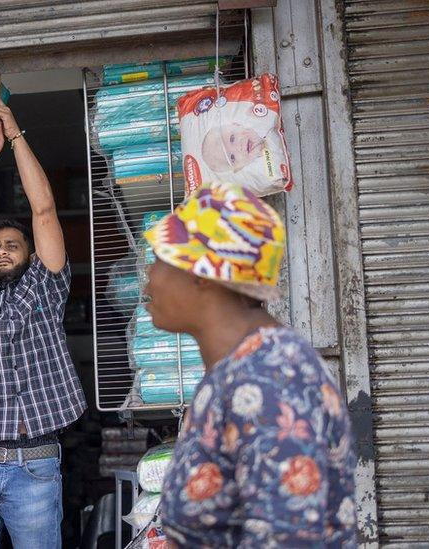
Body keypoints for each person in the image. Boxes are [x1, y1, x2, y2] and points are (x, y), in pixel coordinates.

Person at [141, 183, 357, 547]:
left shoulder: (270, 378)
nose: (149, 275)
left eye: (161, 259)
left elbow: (292, 538)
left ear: (201, 274)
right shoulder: (234, 371)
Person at [0, 99, 86, 549]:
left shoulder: (47, 286)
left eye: (12, 244)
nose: (2, 250)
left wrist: (16, 134)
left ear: (29, 255)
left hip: (35, 465)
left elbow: (44, 211)